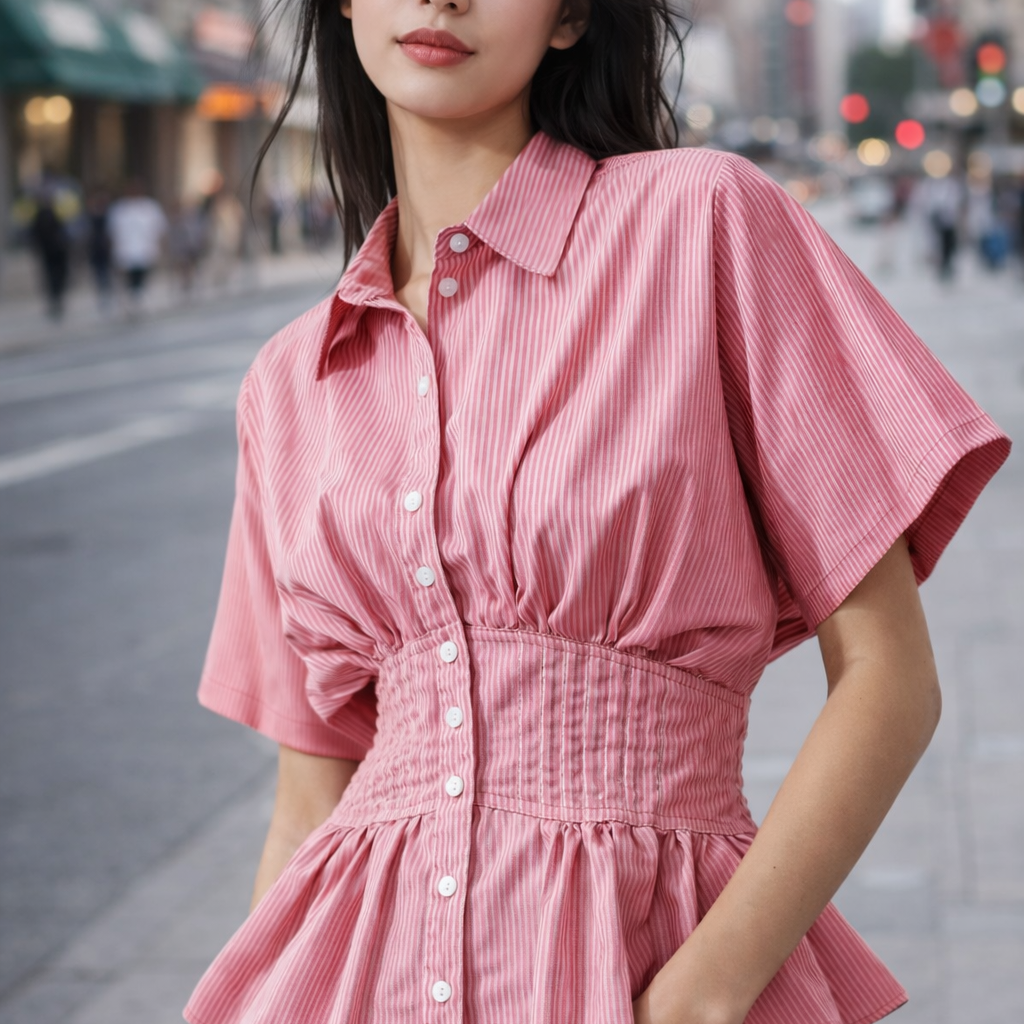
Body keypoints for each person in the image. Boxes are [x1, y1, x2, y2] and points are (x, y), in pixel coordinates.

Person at [184, 2, 1011, 1024]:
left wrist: (699, 996)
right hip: (364, 976)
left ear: (570, 16)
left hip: (650, 956)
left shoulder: (700, 222)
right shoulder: (289, 384)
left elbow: (890, 676)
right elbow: (309, 801)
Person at [107, 179, 167, 314]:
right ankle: (132, 298)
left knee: (142, 274)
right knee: (129, 276)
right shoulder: (119, 209)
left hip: (145, 247)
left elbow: (159, 228)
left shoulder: (150, 207)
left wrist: (159, 246)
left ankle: (137, 298)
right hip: (126, 249)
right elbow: (113, 230)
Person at [28, 185, 71, 320]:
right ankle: (55, 299)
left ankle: (56, 299)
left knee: (56, 276)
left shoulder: (54, 214)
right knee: (53, 276)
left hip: (56, 251)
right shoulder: (42, 215)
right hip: (51, 251)